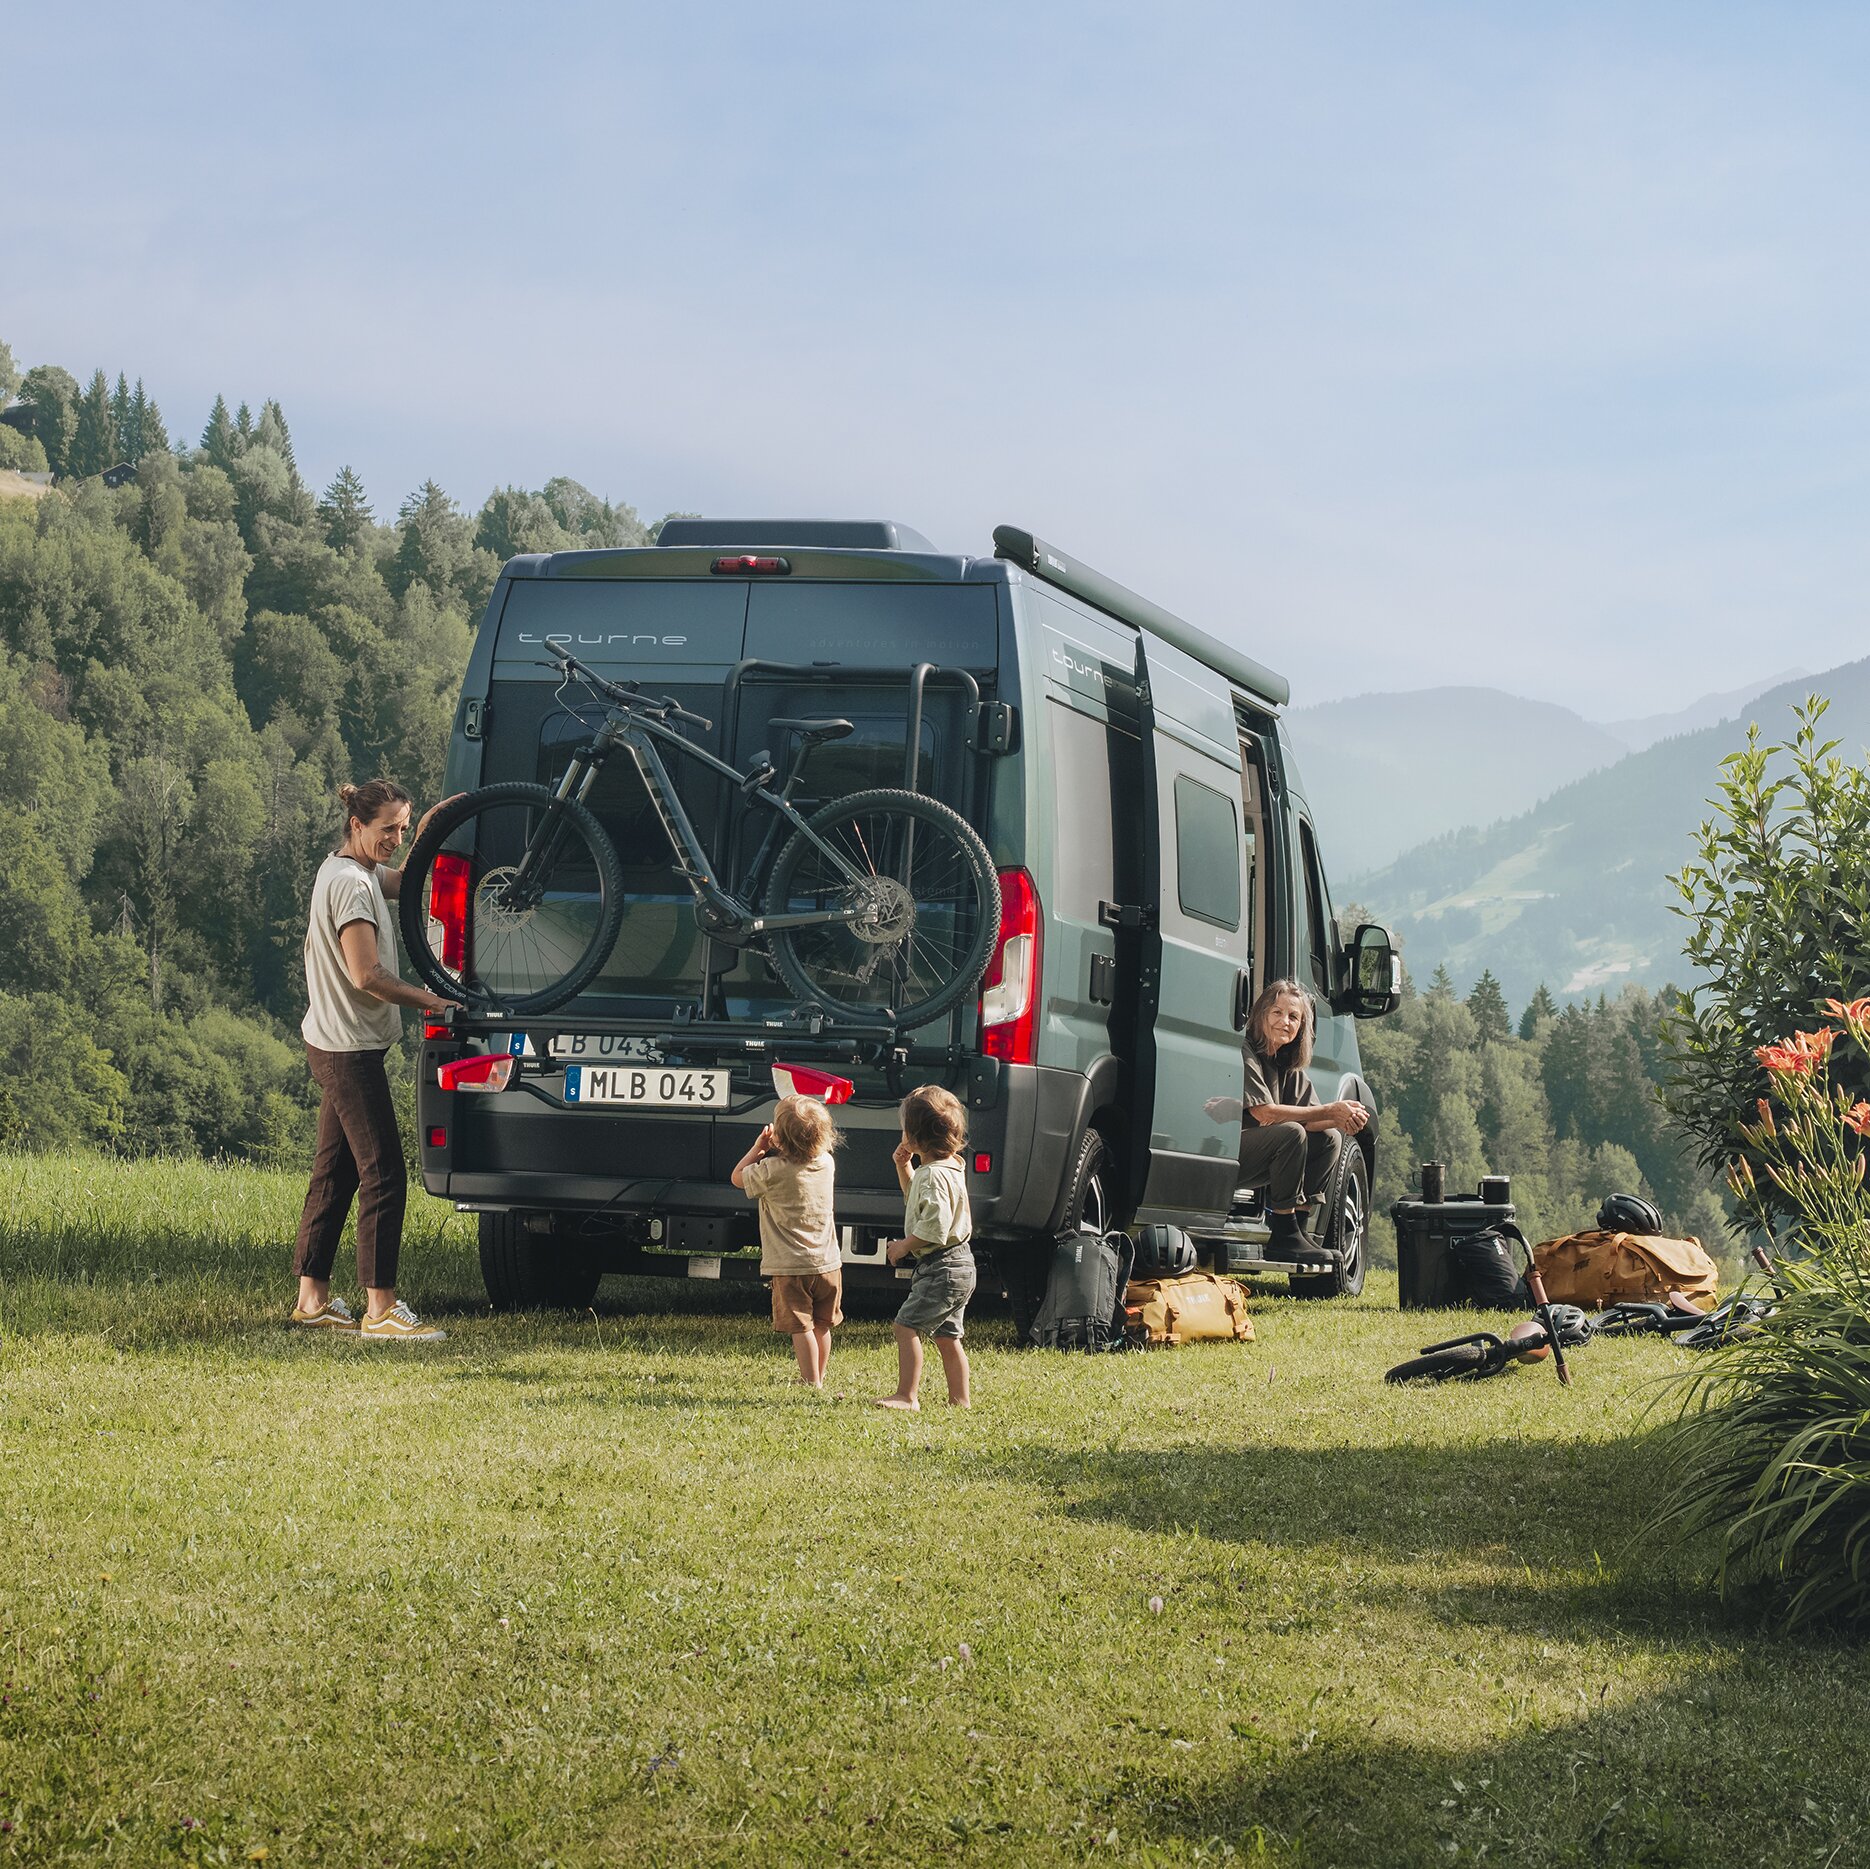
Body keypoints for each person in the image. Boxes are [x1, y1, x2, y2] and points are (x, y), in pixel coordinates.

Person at [290, 779, 460, 1341]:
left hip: (337, 1043)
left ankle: (311, 1299)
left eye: (403, 827)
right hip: (348, 1051)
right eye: (387, 827)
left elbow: (409, 882)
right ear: (357, 824)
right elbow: (368, 976)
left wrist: (433, 823)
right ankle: (381, 1310)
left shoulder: (346, 869)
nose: (395, 837)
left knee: (334, 1172)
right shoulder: (351, 886)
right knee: (384, 1173)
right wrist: (433, 1000)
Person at [1208, 978, 1368, 1262]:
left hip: (1258, 1155)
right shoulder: (1246, 1052)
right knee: (1292, 1132)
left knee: (1330, 1138)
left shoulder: (1286, 1064)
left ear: (1302, 1027)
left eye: (1294, 1016)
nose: (1285, 1021)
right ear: (1261, 1015)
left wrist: (1343, 1119)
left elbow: (1315, 1119)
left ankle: (1298, 1230)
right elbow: (1265, 1113)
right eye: (1277, 1013)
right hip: (1222, 1154)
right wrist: (1331, 1110)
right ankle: (1283, 1232)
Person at [731, 1094, 845, 1388]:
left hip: (791, 1266)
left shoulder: (771, 1171)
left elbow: (737, 1177)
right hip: (828, 1263)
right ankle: (819, 1375)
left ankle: (810, 1381)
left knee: (801, 1325)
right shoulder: (826, 1164)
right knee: (821, 1324)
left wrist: (759, 1148)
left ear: (779, 1138)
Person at [874, 1085, 975, 1410]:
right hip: (961, 1265)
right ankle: (960, 1400)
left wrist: (903, 1246)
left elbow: (934, 1227)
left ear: (914, 1137)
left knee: (906, 1327)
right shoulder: (948, 1169)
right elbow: (917, 1202)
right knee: (948, 1337)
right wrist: (903, 1166)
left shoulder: (932, 1177)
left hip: (942, 1266)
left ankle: (907, 1395)